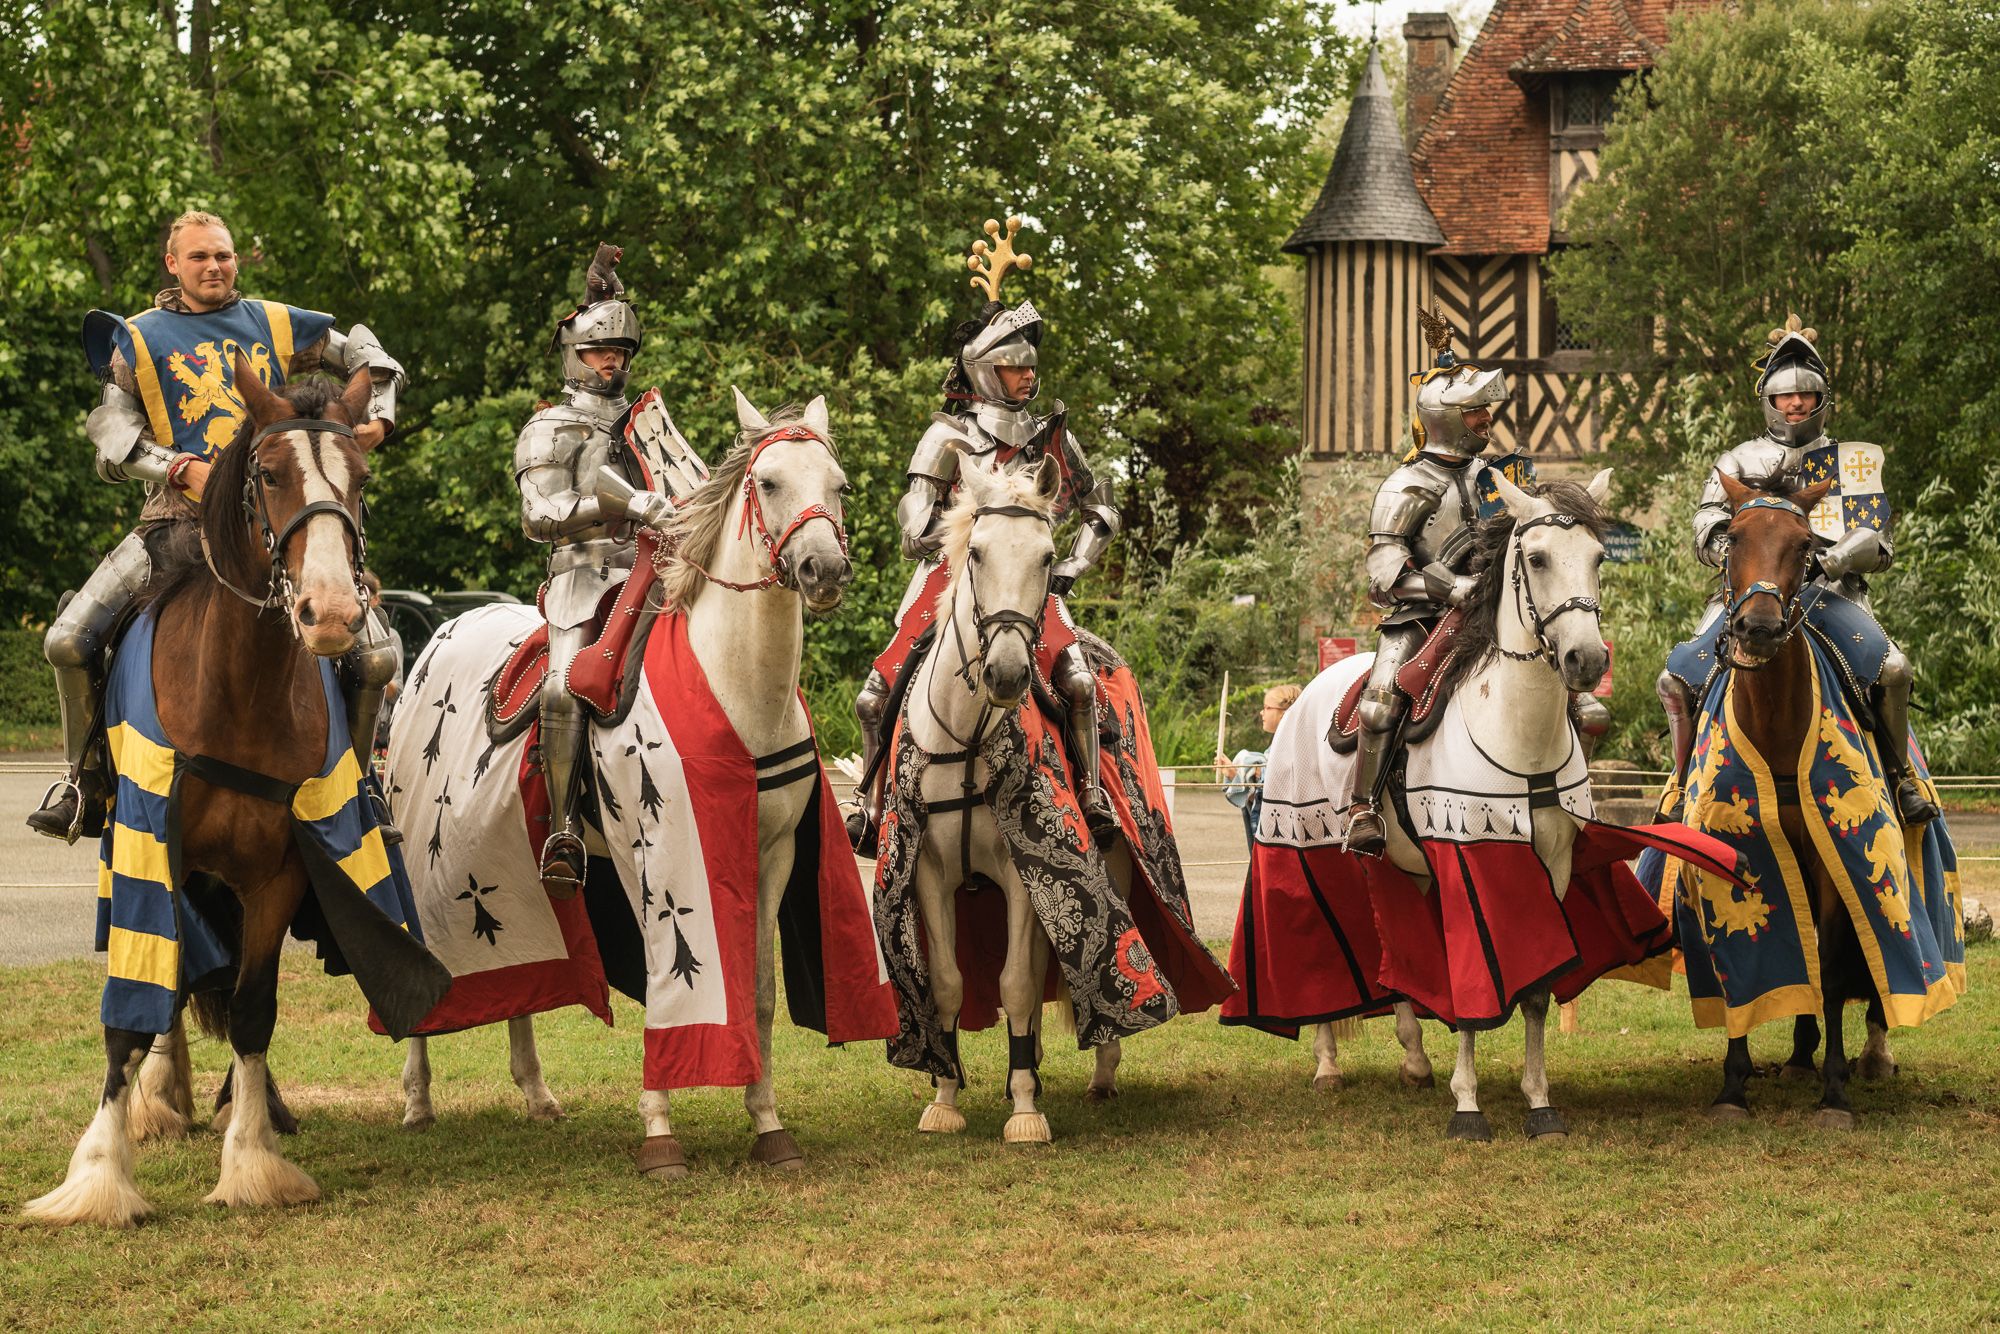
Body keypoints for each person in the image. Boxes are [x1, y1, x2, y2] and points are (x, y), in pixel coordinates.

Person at [29, 210, 404, 842]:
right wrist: (178, 469)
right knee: (69, 639)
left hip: (274, 522)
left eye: (224, 256)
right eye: (200, 257)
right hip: (173, 527)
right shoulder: (139, 339)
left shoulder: (274, 322)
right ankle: (86, 781)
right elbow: (111, 443)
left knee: (372, 654)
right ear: (172, 263)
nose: (215, 267)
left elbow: (369, 353)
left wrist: (380, 421)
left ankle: (360, 785)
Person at [849, 217, 1121, 848]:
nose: (1028, 377)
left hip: (1027, 582)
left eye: (1030, 367)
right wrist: (949, 530)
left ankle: (1091, 793)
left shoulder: (1051, 436)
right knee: (874, 694)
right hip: (948, 576)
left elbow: (1101, 508)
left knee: (1078, 681)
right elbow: (913, 517)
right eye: (1013, 367)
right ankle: (871, 798)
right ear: (983, 370)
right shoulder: (947, 436)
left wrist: (1072, 565)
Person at [1655, 314, 1936, 825]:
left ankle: (1901, 778)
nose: (1796, 404)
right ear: (1768, 400)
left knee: (1894, 671)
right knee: (1676, 679)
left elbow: (1883, 544)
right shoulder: (1738, 459)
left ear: (1821, 401)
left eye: (1805, 395)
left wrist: (1836, 558)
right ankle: (1679, 783)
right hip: (1748, 595)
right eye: (1785, 396)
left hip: (1831, 594)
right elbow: (1706, 523)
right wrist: (1737, 557)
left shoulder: (1849, 463)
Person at [513, 243, 670, 894]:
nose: (613, 363)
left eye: (621, 354)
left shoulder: (648, 422)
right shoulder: (548, 429)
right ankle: (565, 828)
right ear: (573, 355)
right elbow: (538, 513)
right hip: (582, 574)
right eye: (601, 352)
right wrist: (619, 500)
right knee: (560, 687)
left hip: (654, 572)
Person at [1219, 684, 1302, 850]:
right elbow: (1259, 800)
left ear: (1284, 713)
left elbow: (1278, 798)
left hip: (1286, 840)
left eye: (1267, 708)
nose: (1261, 712)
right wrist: (1236, 775)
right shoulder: (1275, 748)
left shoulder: (1293, 747)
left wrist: (1248, 775)